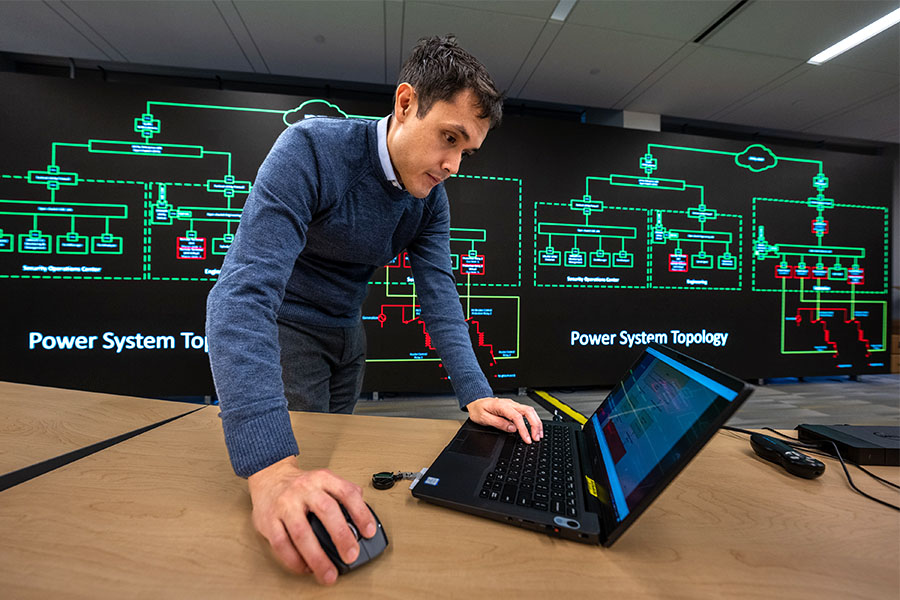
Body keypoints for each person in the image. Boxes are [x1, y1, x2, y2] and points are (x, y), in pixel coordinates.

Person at [206, 35, 543, 586]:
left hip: (347, 337)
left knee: (324, 463)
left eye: (467, 152)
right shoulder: (309, 150)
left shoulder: (430, 199)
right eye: (449, 139)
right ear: (406, 103)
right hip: (287, 332)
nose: (454, 164)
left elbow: (438, 294)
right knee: (288, 478)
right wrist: (268, 473)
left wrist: (476, 393)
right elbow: (241, 296)